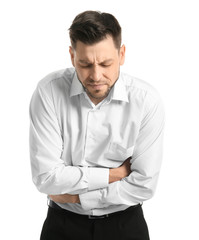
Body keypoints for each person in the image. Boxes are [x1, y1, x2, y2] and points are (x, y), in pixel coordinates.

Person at [29, 10, 165, 240]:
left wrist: (76, 197)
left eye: (105, 63)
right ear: (72, 56)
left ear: (121, 54)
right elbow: (46, 178)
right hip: (62, 226)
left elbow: (144, 185)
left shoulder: (146, 100)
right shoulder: (48, 92)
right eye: (84, 64)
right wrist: (115, 175)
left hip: (125, 226)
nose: (96, 75)